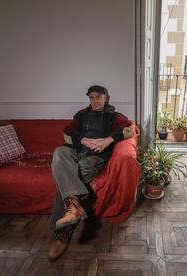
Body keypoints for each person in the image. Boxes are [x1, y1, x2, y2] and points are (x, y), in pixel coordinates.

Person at [48, 85, 135, 261]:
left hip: (96, 156)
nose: (95, 101)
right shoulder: (81, 114)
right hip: (78, 150)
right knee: (59, 152)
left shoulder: (114, 116)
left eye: (98, 97)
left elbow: (130, 129)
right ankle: (73, 209)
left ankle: (63, 233)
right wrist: (84, 140)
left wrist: (107, 140)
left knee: (76, 174)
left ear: (106, 98)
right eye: (92, 98)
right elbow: (67, 133)